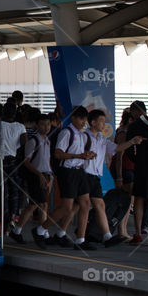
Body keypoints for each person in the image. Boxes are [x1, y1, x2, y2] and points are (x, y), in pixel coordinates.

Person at [74, 110, 142, 248]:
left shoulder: (101, 139)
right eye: (101, 121)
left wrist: (132, 141)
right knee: (80, 207)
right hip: (83, 175)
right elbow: (75, 154)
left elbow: (117, 148)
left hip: (94, 177)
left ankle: (107, 236)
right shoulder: (83, 137)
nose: (104, 124)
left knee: (98, 205)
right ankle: (79, 240)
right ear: (93, 123)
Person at [32, 106, 94, 250]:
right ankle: (41, 229)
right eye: (80, 118)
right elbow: (58, 154)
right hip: (68, 172)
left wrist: (87, 155)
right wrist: (78, 156)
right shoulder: (66, 133)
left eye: (85, 119)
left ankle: (80, 239)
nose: (83, 122)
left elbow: (80, 153)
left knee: (85, 203)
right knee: (67, 208)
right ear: (73, 118)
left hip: (79, 171)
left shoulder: (83, 136)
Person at [8, 114, 52, 244]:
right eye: (43, 124)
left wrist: (50, 176)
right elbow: (26, 162)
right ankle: (41, 232)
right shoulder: (33, 141)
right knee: (38, 204)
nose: (46, 127)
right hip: (35, 176)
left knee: (38, 204)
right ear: (37, 126)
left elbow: (47, 161)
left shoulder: (47, 140)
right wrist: (39, 175)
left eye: (48, 124)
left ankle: (22, 231)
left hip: (44, 175)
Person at [126, 101, 148, 247]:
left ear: (135, 112)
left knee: (139, 199)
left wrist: (137, 160)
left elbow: (129, 149)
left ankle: (138, 234)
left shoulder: (134, 126)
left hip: (143, 168)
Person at [0, 99, 28, 226]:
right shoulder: (20, 127)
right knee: (14, 190)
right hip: (13, 160)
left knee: (4, 191)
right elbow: (25, 144)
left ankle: (4, 218)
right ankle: (13, 217)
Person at [112, 108, 136, 240]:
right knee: (126, 200)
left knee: (129, 200)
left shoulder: (128, 132)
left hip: (128, 168)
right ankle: (122, 230)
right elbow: (119, 156)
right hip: (123, 169)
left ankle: (123, 229)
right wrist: (119, 176)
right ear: (130, 119)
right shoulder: (123, 133)